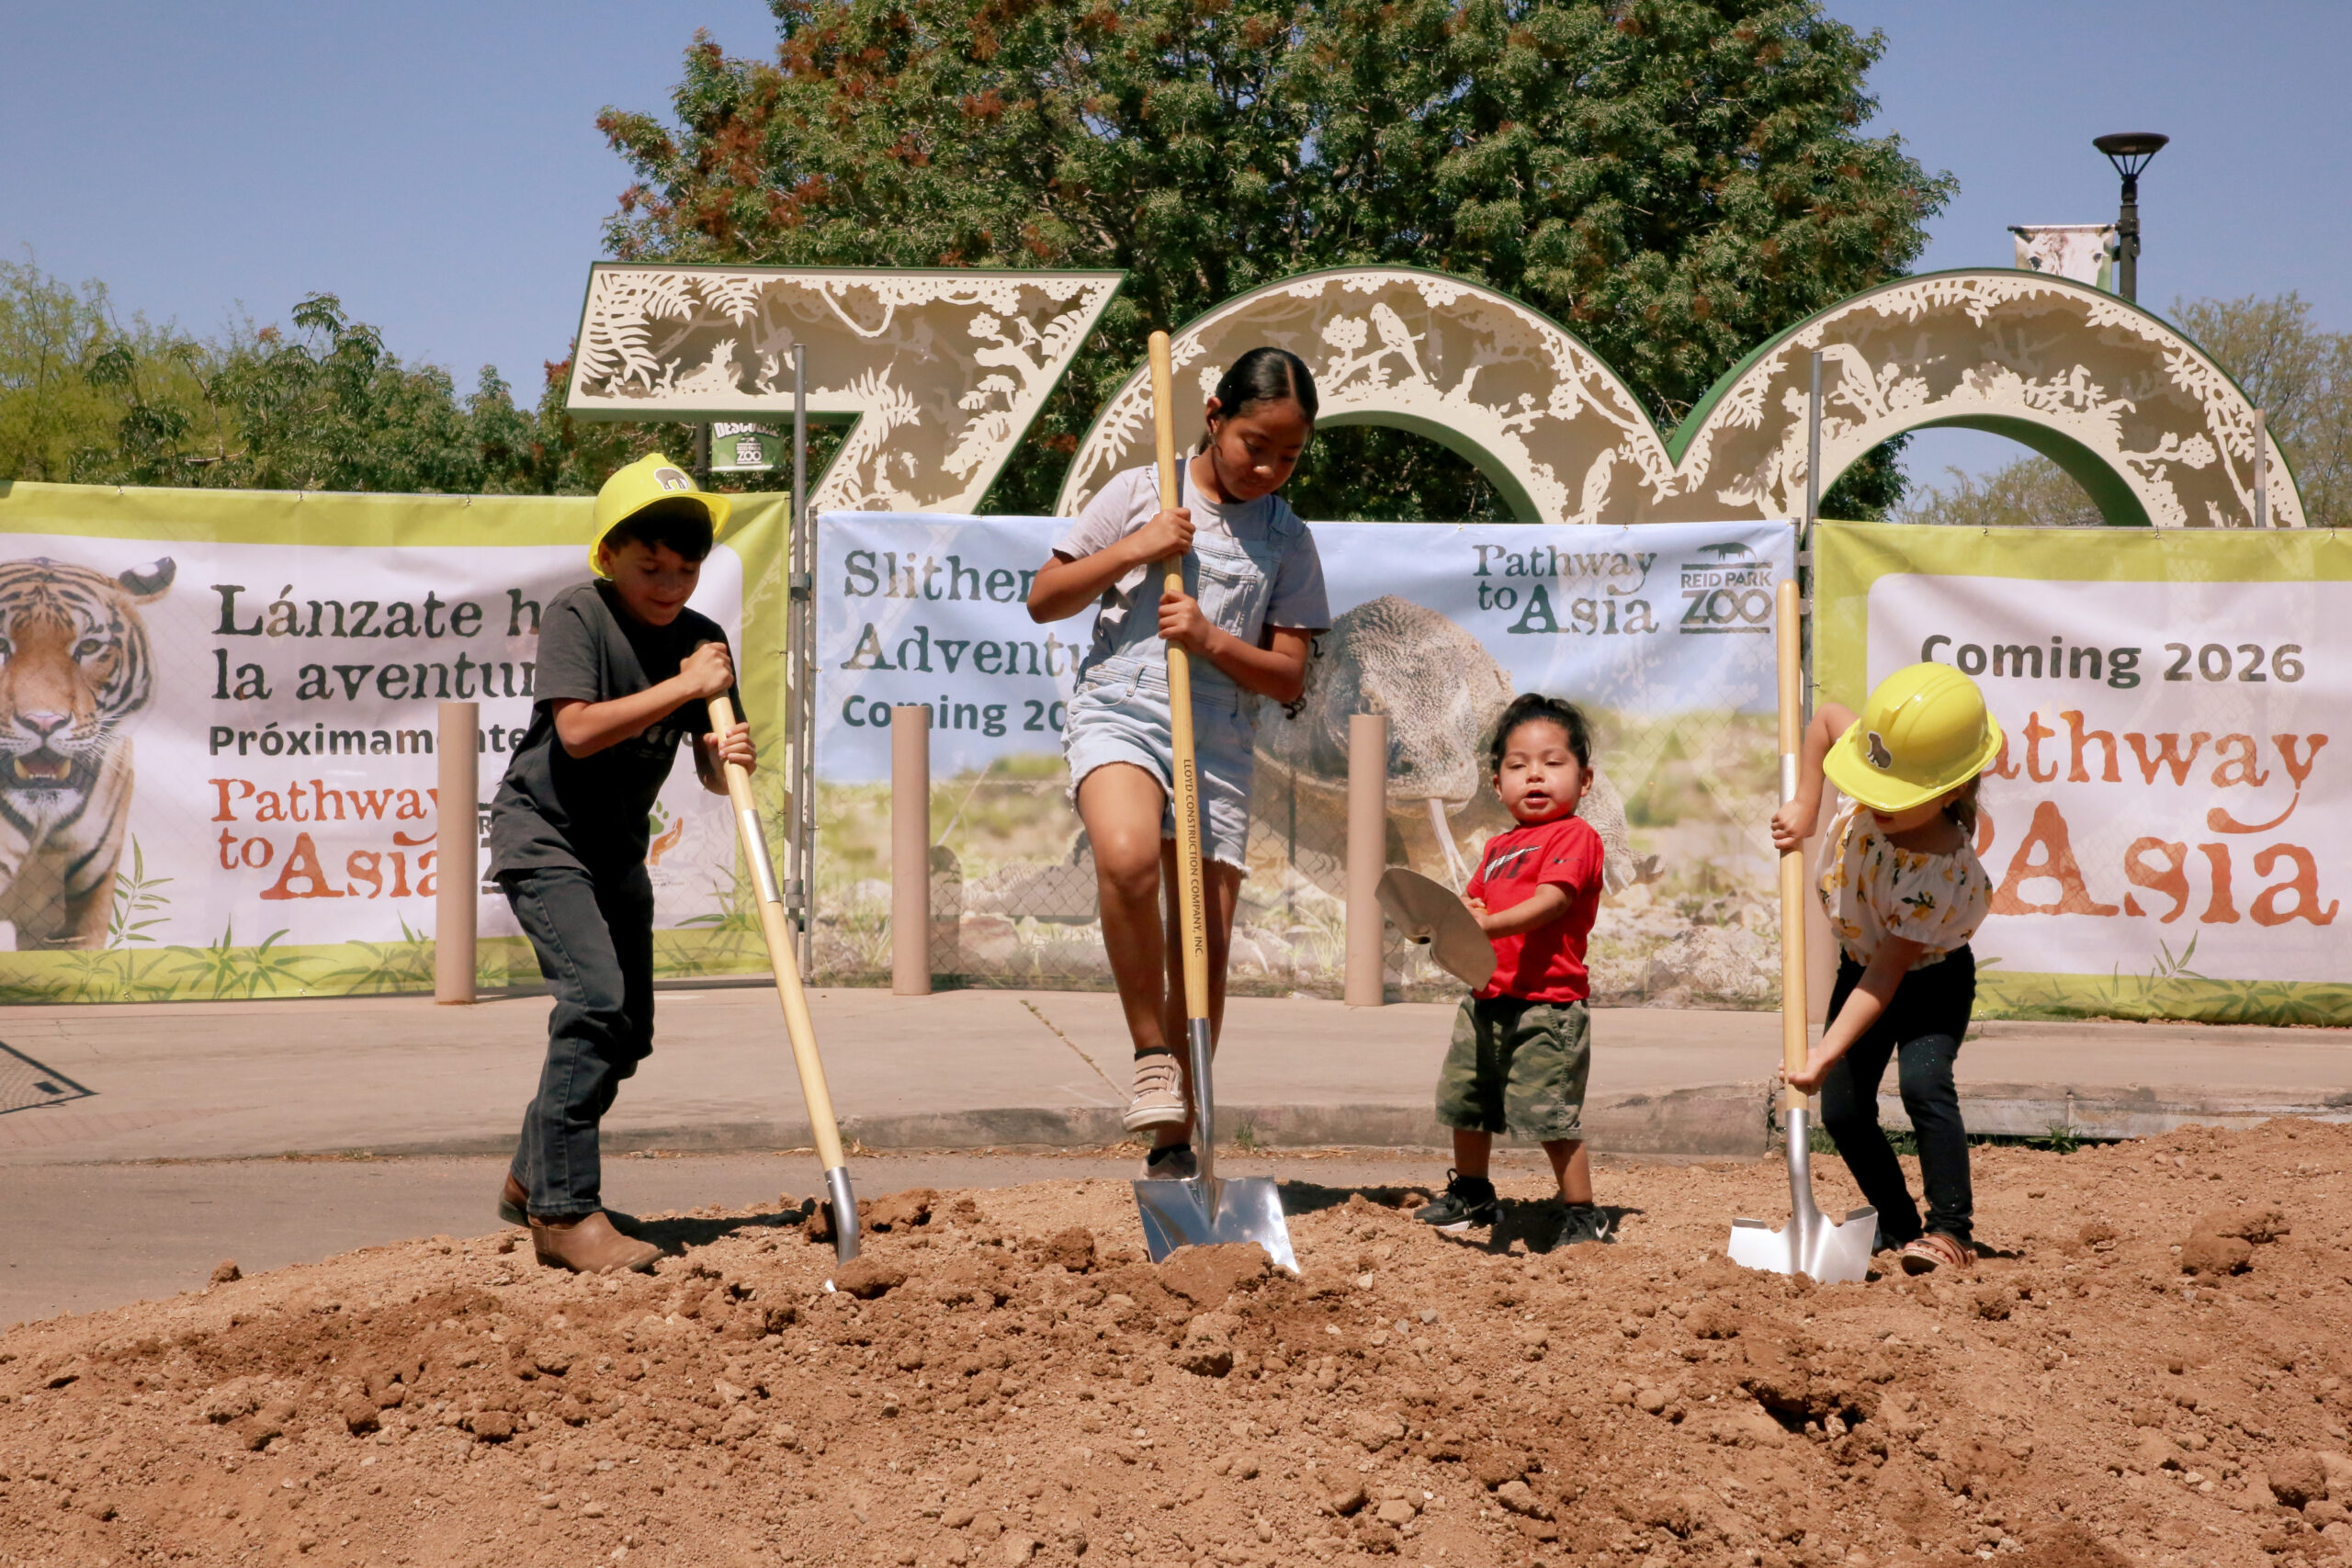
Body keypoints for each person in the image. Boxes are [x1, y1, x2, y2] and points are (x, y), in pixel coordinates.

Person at [1025, 347, 1330, 1179]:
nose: (1268, 466)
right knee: (1126, 860)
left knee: (1205, 937)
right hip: (1121, 709)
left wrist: (1210, 638)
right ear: (1214, 416)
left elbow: (1290, 674)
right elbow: (1044, 597)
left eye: (1289, 454)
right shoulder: (1137, 492)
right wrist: (1138, 547)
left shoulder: (1288, 540)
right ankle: (1151, 1052)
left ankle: (1179, 1138)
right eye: (1253, 444)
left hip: (1220, 735)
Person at [488, 453, 752, 1274]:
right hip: (546, 837)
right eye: (650, 567)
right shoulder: (581, 614)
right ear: (609, 557)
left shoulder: (702, 642)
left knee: (627, 1032)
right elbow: (576, 731)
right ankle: (566, 1213)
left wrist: (723, 752)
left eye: (686, 568)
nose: (670, 583)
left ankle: (534, 1177)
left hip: (615, 854)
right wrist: (682, 691)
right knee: (595, 1002)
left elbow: (713, 767)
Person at [1770, 662, 2001, 1275]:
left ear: (1950, 790)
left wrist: (1823, 1053)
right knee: (1843, 1110)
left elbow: (1888, 976)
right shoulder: (1883, 761)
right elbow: (1824, 721)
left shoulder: (1937, 869)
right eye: (1869, 784)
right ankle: (1898, 1223)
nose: (1872, 801)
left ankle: (1951, 1230)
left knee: (1925, 1084)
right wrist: (1806, 802)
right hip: (1864, 963)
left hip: (1927, 979)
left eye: (1892, 798)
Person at [1415, 694, 1614, 1249]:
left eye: (1553, 763)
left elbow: (1552, 901)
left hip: (1548, 1008)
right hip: (1485, 999)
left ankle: (1582, 1214)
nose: (1535, 776)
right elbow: (1471, 905)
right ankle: (1474, 1197)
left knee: (1549, 1115)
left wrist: (1488, 925)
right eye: (1518, 765)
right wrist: (1443, 919)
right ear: (1497, 783)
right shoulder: (1499, 847)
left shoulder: (1575, 837)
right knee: (1466, 1102)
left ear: (1585, 778)